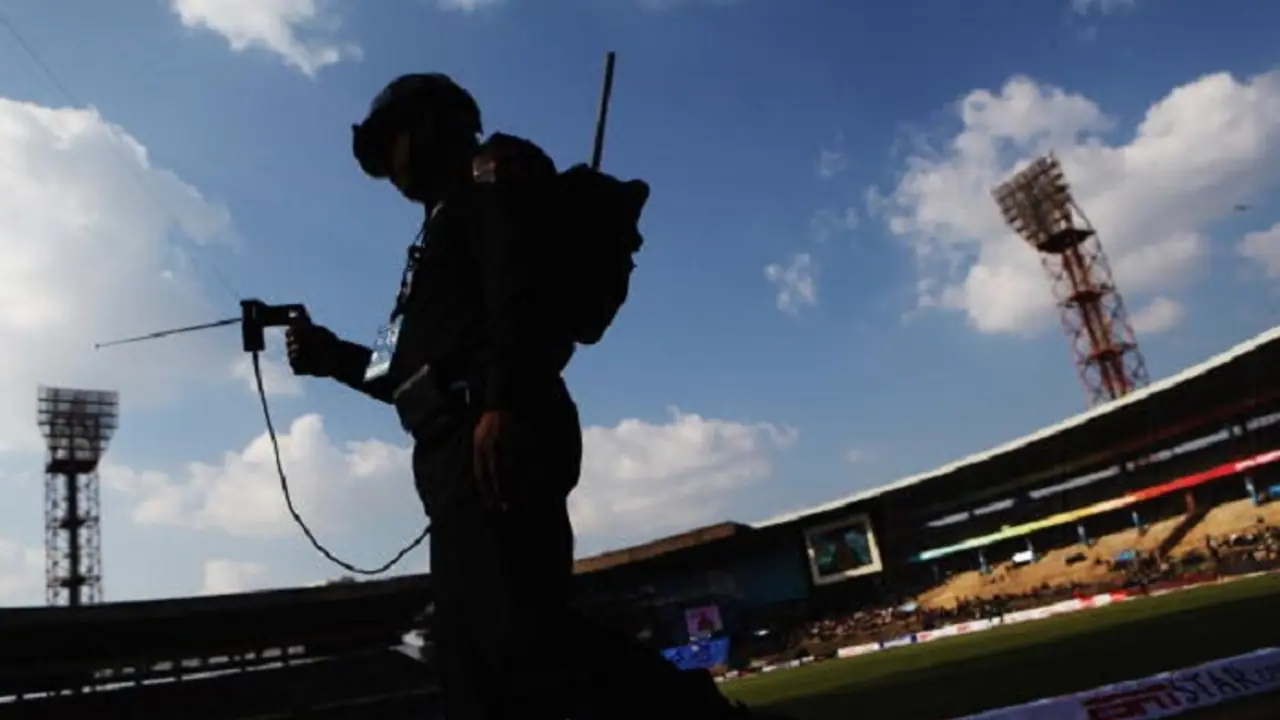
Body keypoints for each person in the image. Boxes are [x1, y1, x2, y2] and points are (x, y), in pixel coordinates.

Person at [285, 73, 786, 720]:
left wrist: (503, 400)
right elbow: (398, 371)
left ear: (430, 124)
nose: (389, 161)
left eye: (393, 139)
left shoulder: (488, 180)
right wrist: (328, 355)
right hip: (451, 456)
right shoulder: (424, 247)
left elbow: (516, 287)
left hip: (498, 432)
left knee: (522, 641)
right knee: (471, 665)